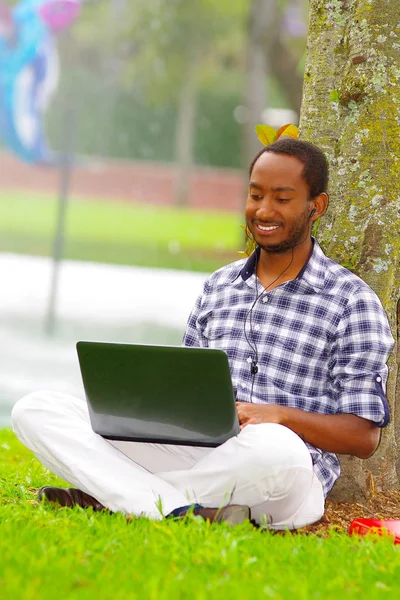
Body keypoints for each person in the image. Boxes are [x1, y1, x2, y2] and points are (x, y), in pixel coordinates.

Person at [11, 138, 394, 529]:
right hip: (196, 450)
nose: (263, 210)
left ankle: (121, 496)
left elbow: (363, 437)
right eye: (256, 195)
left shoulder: (351, 302)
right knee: (37, 409)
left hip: (284, 471)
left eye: (282, 198)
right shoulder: (219, 286)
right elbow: (184, 387)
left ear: (317, 206)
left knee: (277, 449)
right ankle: (175, 510)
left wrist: (277, 416)